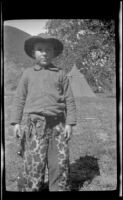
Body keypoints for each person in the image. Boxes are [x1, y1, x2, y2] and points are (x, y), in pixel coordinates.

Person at [10, 35, 77, 191]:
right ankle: (32, 188)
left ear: (54, 53)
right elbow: (19, 98)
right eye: (40, 49)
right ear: (33, 52)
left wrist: (70, 123)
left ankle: (59, 188)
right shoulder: (27, 73)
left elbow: (70, 100)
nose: (44, 53)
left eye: (48, 50)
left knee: (59, 163)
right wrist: (15, 123)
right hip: (35, 127)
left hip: (58, 126)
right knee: (35, 163)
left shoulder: (61, 74)